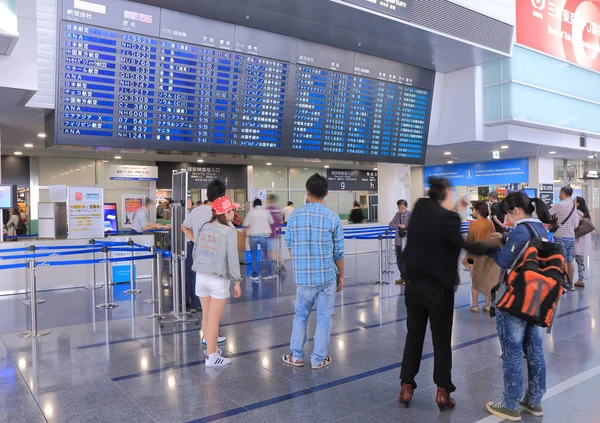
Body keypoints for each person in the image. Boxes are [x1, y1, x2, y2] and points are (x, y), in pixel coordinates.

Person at [399, 177, 493, 410]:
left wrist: (456, 209)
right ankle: (443, 391)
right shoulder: (449, 219)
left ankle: (406, 387)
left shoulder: (420, 208)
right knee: (441, 340)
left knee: (414, 336)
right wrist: (495, 241)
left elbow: (436, 219)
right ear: (447, 192)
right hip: (438, 289)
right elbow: (470, 247)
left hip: (413, 285)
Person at [485, 192, 552, 421]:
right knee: (535, 351)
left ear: (515, 211)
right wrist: (506, 239)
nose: (506, 219)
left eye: (507, 214)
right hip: (536, 301)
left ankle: (510, 404)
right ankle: (534, 401)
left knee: (512, 353)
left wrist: (493, 246)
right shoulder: (543, 230)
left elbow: (505, 260)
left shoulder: (520, 230)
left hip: (513, 301)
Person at [282, 173, 344, 369]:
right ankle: (318, 359)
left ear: (307, 193)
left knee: (301, 316)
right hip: (326, 277)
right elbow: (338, 252)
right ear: (326, 193)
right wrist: (341, 275)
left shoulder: (294, 217)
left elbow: (290, 245)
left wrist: (299, 265)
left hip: (303, 279)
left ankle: (297, 356)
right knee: (324, 318)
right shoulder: (332, 217)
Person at [192, 196, 242, 367]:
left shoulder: (205, 227)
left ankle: (211, 349)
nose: (233, 213)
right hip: (218, 278)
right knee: (214, 321)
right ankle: (212, 357)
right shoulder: (229, 231)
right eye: (232, 210)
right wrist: (237, 281)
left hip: (201, 275)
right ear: (225, 213)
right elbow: (233, 259)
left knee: (206, 317)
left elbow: (195, 251)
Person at [182, 180, 227, 322]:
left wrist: (196, 240)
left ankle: (207, 335)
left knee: (206, 305)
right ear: (222, 196)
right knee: (216, 303)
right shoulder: (221, 213)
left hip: (200, 262)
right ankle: (213, 334)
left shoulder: (196, 211)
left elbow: (184, 227)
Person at [464, 201, 496, 313]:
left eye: (473, 209)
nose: (472, 210)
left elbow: (469, 242)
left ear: (477, 211)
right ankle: (487, 304)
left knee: (475, 282)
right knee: (487, 281)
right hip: (488, 255)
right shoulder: (490, 223)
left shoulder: (473, 225)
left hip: (474, 256)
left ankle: (475, 305)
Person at [549, 185, 583, 288]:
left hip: (560, 236)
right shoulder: (574, 206)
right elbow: (576, 224)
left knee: (561, 260)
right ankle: (570, 284)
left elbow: (547, 214)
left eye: (560, 192)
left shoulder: (560, 205)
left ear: (563, 193)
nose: (559, 194)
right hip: (571, 237)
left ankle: (562, 285)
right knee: (569, 260)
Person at [243, 198, 274, 280]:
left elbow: (245, 223)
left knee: (254, 255)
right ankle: (267, 275)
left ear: (254, 204)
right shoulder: (266, 212)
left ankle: (255, 275)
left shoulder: (251, 212)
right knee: (266, 255)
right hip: (265, 235)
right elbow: (271, 222)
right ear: (261, 204)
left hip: (253, 235)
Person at [389, 199, 411, 285]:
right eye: (399, 208)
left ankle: (407, 278)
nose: (401, 210)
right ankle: (402, 277)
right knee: (399, 261)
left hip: (406, 242)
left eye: (402, 208)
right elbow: (390, 225)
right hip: (398, 241)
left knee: (405, 261)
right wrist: (398, 225)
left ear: (406, 207)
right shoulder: (397, 215)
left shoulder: (410, 215)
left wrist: (405, 227)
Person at [574, 196, 592, 288]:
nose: (573, 203)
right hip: (584, 239)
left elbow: (575, 225)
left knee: (569, 260)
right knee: (580, 261)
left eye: (574, 201)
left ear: (578, 203)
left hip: (577, 239)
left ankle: (569, 279)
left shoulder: (577, 213)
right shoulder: (586, 213)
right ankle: (581, 279)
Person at [267, 194, 284, 270]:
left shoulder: (267, 209)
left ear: (269, 200)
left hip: (268, 233)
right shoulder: (277, 209)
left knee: (269, 252)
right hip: (276, 233)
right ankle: (279, 263)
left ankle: (280, 263)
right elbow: (281, 221)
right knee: (275, 251)